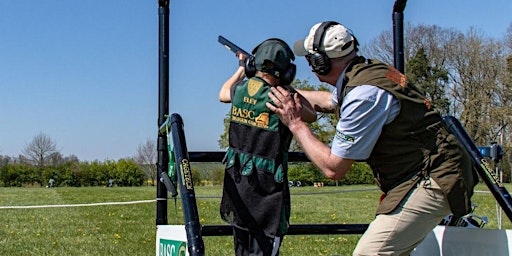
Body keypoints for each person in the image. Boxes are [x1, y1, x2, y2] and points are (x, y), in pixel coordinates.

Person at [266, 21, 477, 255]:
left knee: (370, 253)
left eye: (311, 59)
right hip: (425, 171)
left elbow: (334, 168)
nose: (308, 64)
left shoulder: (363, 95)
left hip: (434, 177)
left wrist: (295, 123)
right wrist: (280, 89)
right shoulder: (365, 73)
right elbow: (329, 101)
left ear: (320, 63)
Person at [218, 38, 316, 256]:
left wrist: (242, 69)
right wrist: (288, 89)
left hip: (239, 190)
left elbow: (223, 92)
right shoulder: (283, 98)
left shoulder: (241, 91)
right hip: (268, 198)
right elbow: (311, 114)